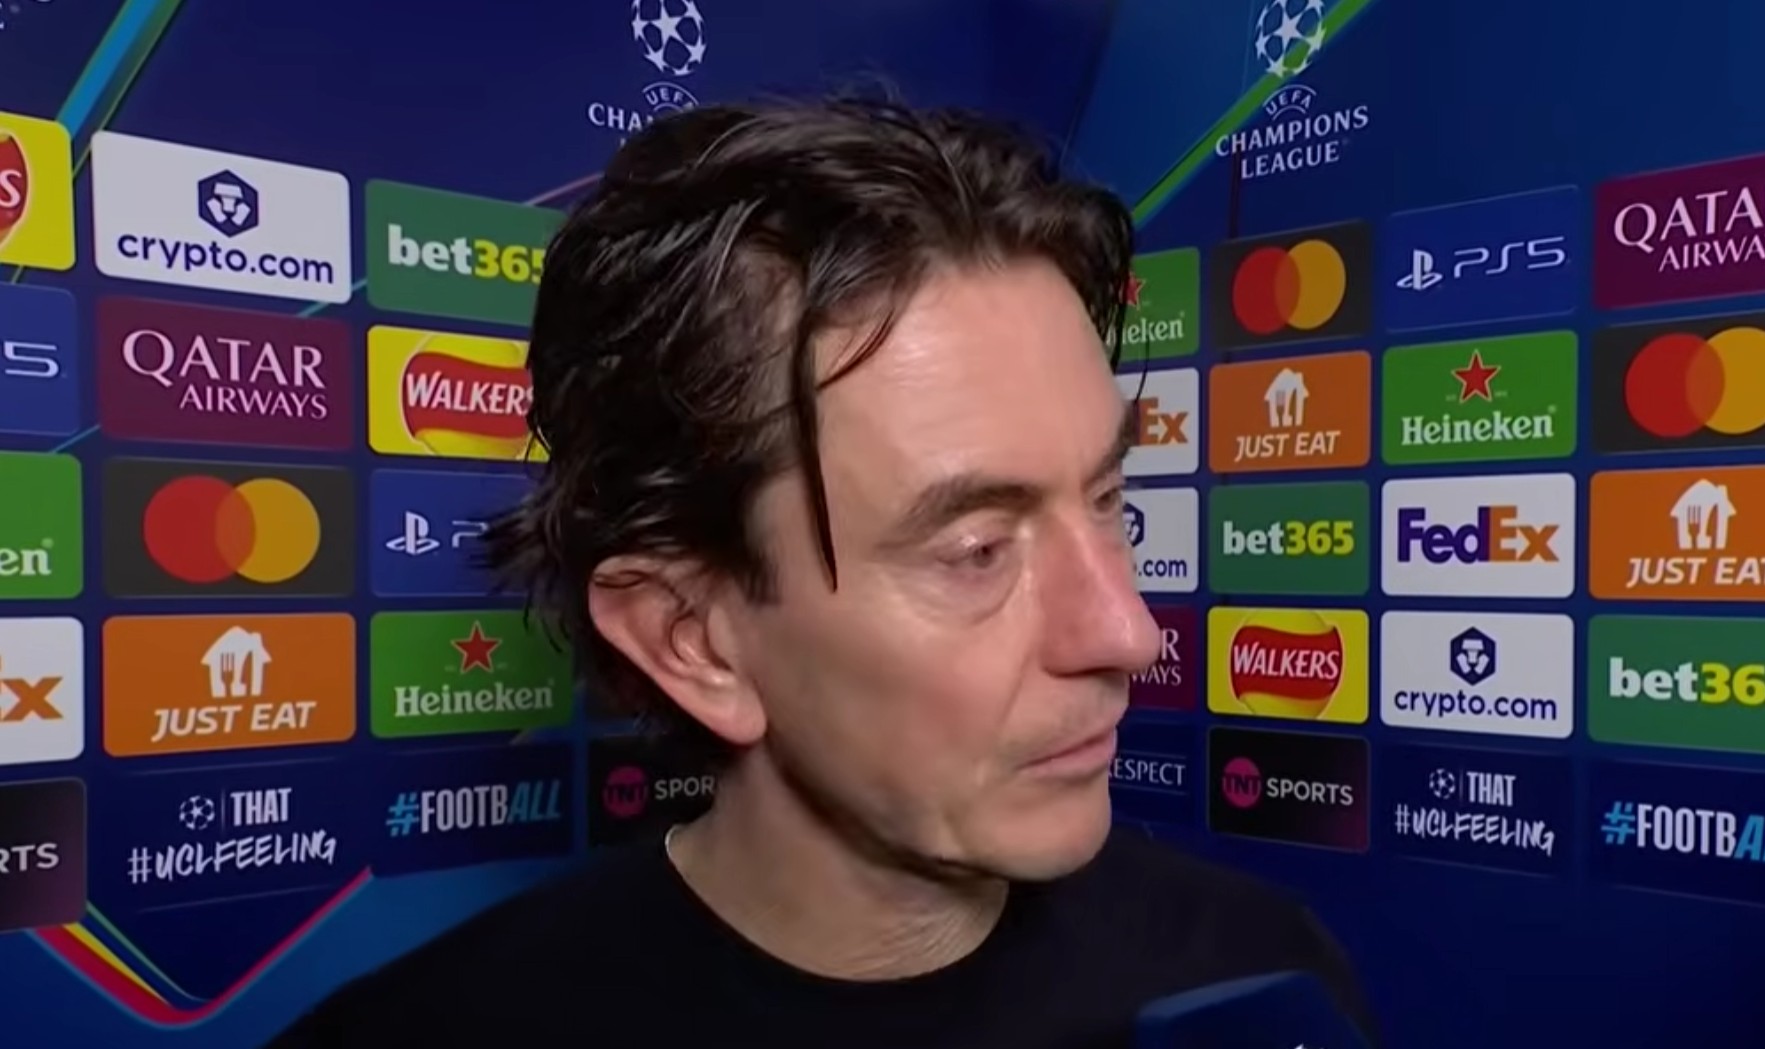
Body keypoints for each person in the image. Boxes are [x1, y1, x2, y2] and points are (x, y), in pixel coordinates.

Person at [266, 95, 1377, 1048]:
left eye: (1106, 501)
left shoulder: (1261, 974)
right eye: (976, 549)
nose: (1126, 631)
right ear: (692, 638)